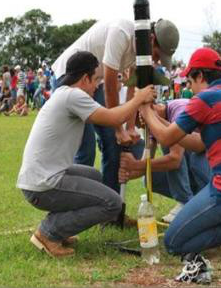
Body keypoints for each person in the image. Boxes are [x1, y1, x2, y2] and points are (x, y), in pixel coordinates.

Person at [139, 47, 221, 280]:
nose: (189, 88)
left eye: (190, 81)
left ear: (201, 76)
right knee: (190, 229)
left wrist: (145, 110)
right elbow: (197, 144)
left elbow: (168, 138)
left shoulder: (204, 99)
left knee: (174, 242)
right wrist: (157, 117)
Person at [17, 51, 156, 257]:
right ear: (85, 78)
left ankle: (60, 229)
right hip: (43, 185)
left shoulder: (64, 93)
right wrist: (138, 98)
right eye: (97, 80)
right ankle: (49, 232)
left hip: (39, 179)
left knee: (95, 178)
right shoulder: (74, 96)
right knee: (113, 203)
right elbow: (110, 117)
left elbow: (111, 118)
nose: (97, 86)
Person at [51, 18, 179, 225]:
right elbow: (111, 83)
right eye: (157, 55)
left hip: (94, 82)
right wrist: (118, 128)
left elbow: (130, 87)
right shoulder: (121, 33)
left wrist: (129, 128)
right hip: (69, 78)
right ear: (151, 39)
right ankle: (73, 217)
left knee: (112, 145)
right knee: (85, 149)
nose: (156, 61)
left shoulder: (142, 52)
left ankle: (110, 213)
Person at [119, 99, 211, 223]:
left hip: (208, 165)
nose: (139, 126)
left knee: (169, 139)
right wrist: (128, 173)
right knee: (149, 179)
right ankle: (195, 201)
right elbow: (145, 164)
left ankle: (185, 203)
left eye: (139, 120)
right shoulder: (153, 125)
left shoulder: (179, 110)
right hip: (197, 171)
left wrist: (136, 165)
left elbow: (175, 159)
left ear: (151, 108)